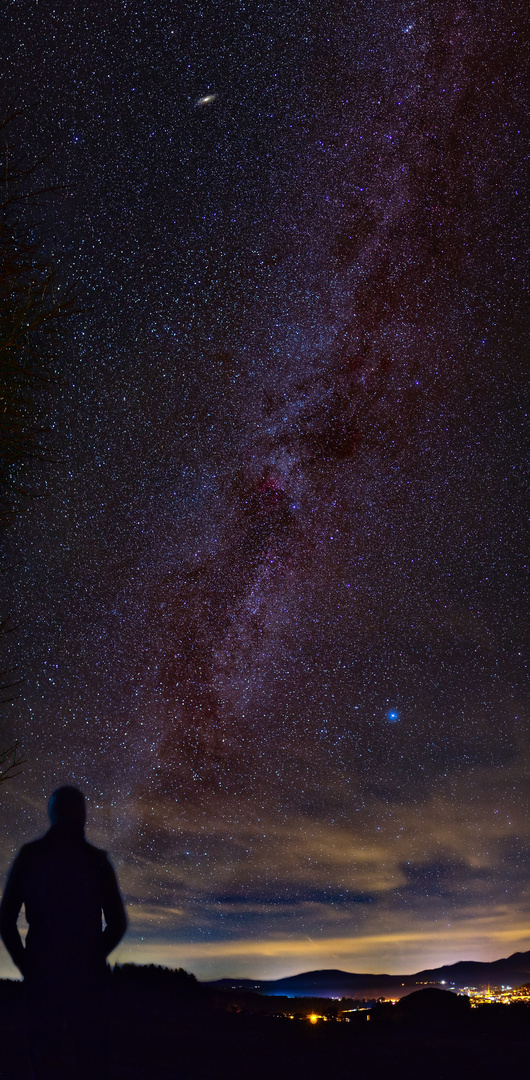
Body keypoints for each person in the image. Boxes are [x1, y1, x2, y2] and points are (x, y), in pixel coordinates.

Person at [0, 785, 127, 1080]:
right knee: (92, 1062)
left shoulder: (31, 857)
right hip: (88, 982)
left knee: (44, 1064)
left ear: (52, 814)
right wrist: (92, 957)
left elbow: (6, 920)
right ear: (82, 815)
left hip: (42, 977)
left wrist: (27, 965)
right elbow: (118, 923)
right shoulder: (95, 860)